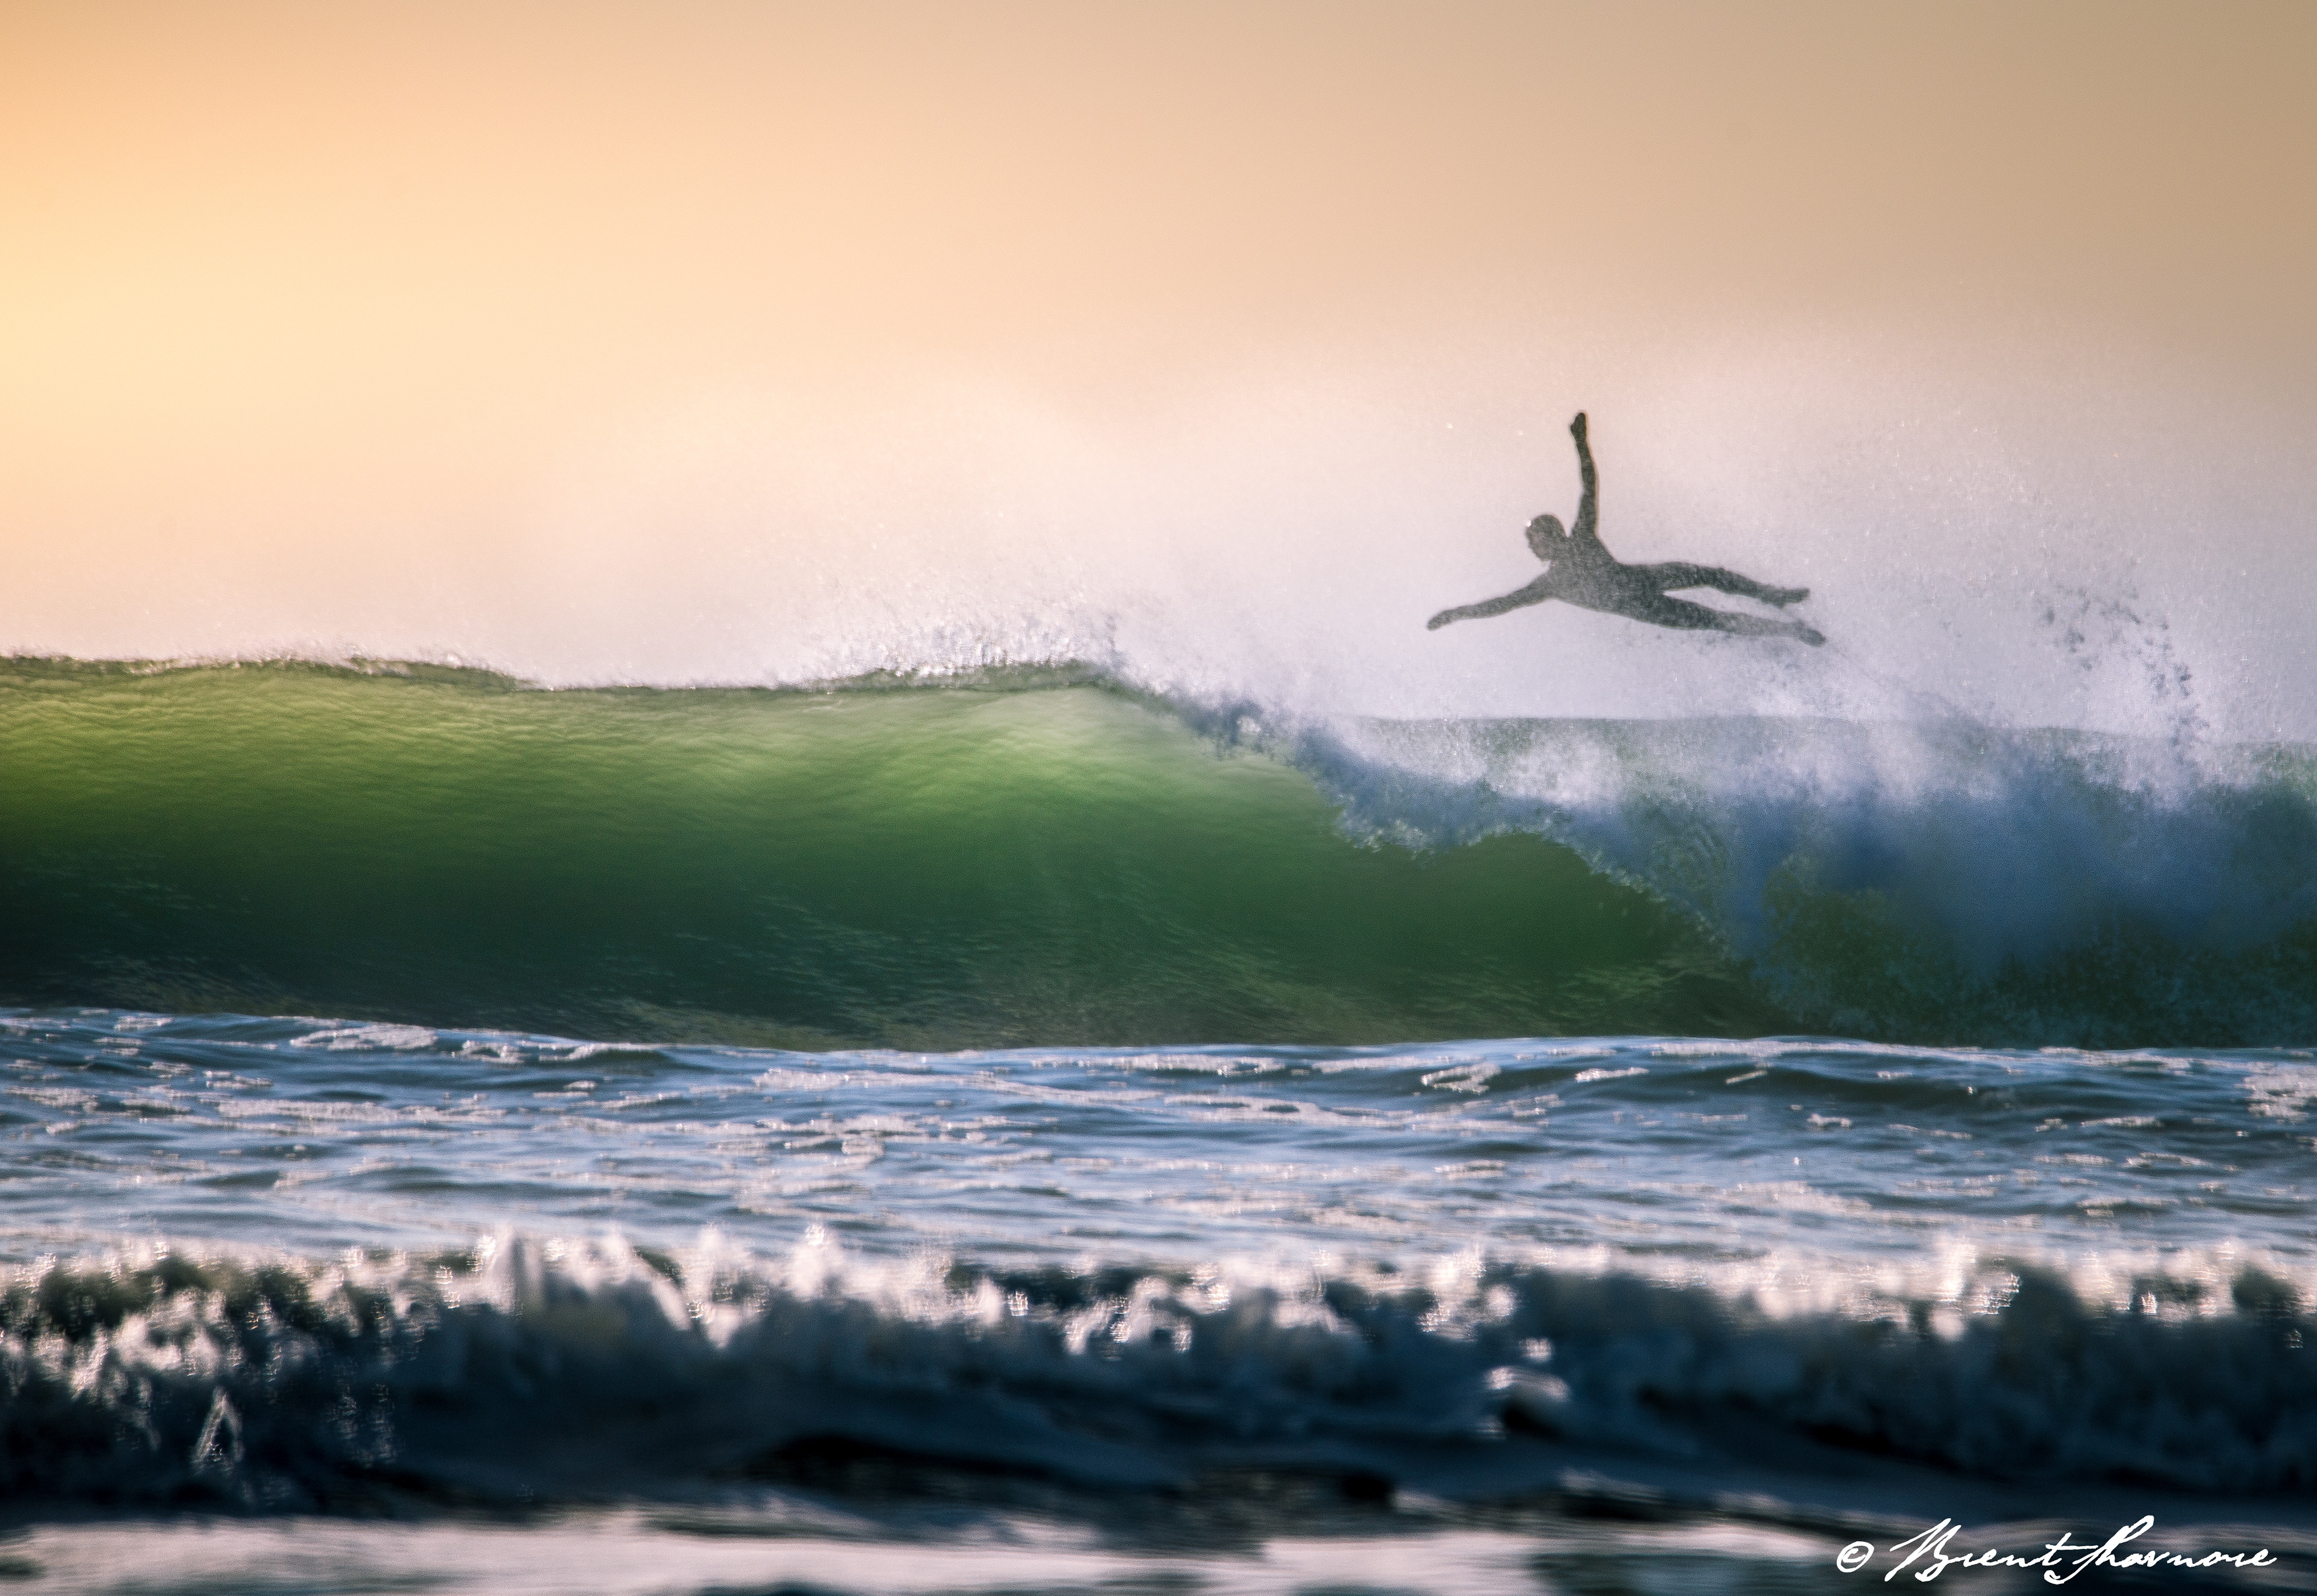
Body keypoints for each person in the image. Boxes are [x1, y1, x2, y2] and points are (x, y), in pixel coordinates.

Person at [1426, 413, 1823, 645]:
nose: (1533, 549)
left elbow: (1589, 487)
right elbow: (1502, 604)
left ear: (1552, 534)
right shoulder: (1550, 584)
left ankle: (1774, 596)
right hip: (1644, 604)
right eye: (1531, 543)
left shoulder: (1579, 541)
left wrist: (1582, 444)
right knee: (1713, 619)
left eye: (1535, 540)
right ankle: (1790, 631)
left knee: (1710, 574)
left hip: (1640, 580)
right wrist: (1456, 613)